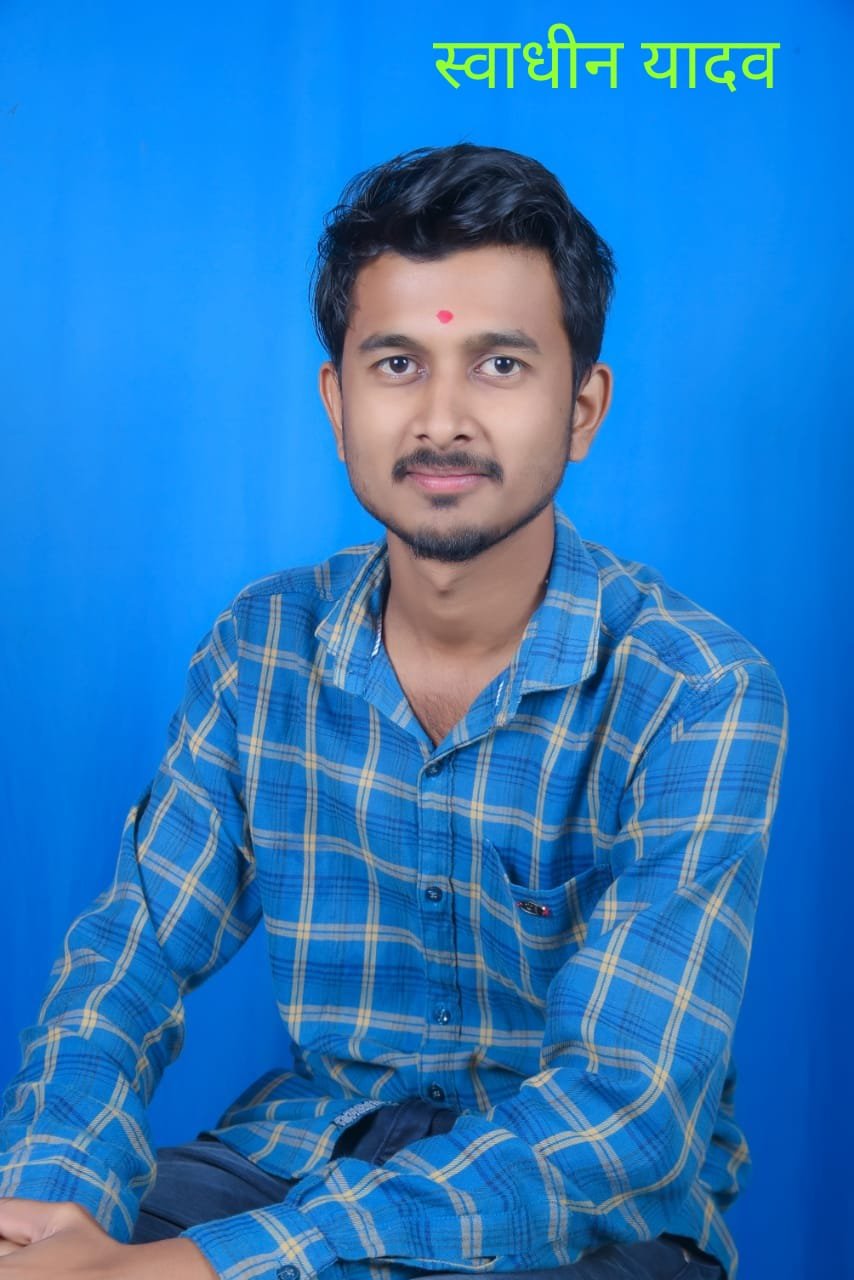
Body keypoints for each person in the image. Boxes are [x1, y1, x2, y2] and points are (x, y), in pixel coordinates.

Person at [0, 143, 787, 1280]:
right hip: (301, 1157)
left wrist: (210, 1267)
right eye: (398, 363)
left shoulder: (696, 692)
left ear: (581, 407)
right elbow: (127, 961)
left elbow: (619, 1116)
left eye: (500, 364)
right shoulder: (262, 645)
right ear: (338, 401)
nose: (442, 418)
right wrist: (47, 1198)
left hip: (583, 1218)